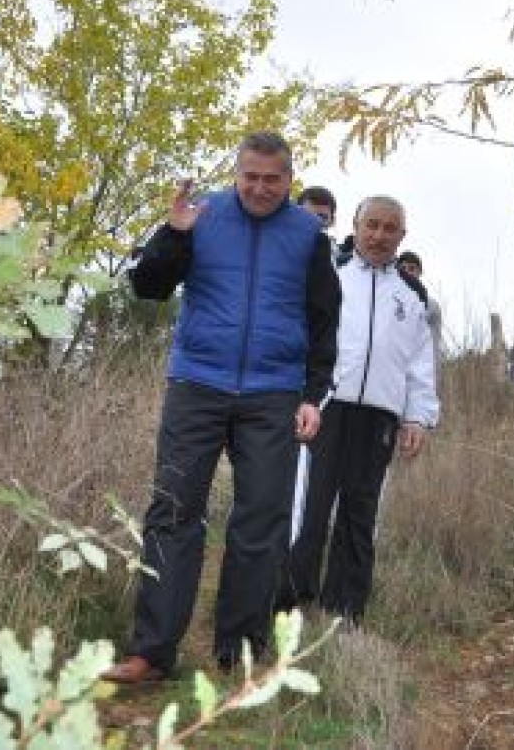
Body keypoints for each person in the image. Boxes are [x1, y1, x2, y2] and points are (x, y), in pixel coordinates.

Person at [103, 132, 341, 683]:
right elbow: (147, 287)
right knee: (173, 512)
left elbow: (325, 322)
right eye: (250, 177)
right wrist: (174, 234)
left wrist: (313, 394)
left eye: (272, 179)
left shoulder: (309, 236)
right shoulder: (200, 215)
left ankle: (240, 652)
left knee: (261, 518)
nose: (260, 188)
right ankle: (152, 653)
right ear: (237, 175)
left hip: (274, 393)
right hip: (198, 385)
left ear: (290, 179)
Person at [278, 195, 440, 625]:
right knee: (310, 508)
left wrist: (417, 416)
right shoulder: (330, 276)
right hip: (327, 408)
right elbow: (303, 338)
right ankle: (291, 601)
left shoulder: (412, 296)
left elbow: (420, 363)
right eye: (372, 225)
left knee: (360, 511)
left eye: (390, 228)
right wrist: (299, 396)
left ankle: (344, 610)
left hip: (379, 416)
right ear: (356, 225)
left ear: (402, 235)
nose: (379, 235)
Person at [396, 250, 445, 362]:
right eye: (403, 269)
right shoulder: (390, 301)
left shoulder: (431, 305)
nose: (407, 273)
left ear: (420, 272)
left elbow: (434, 345)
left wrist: (433, 375)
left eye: (412, 269)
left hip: (420, 366)